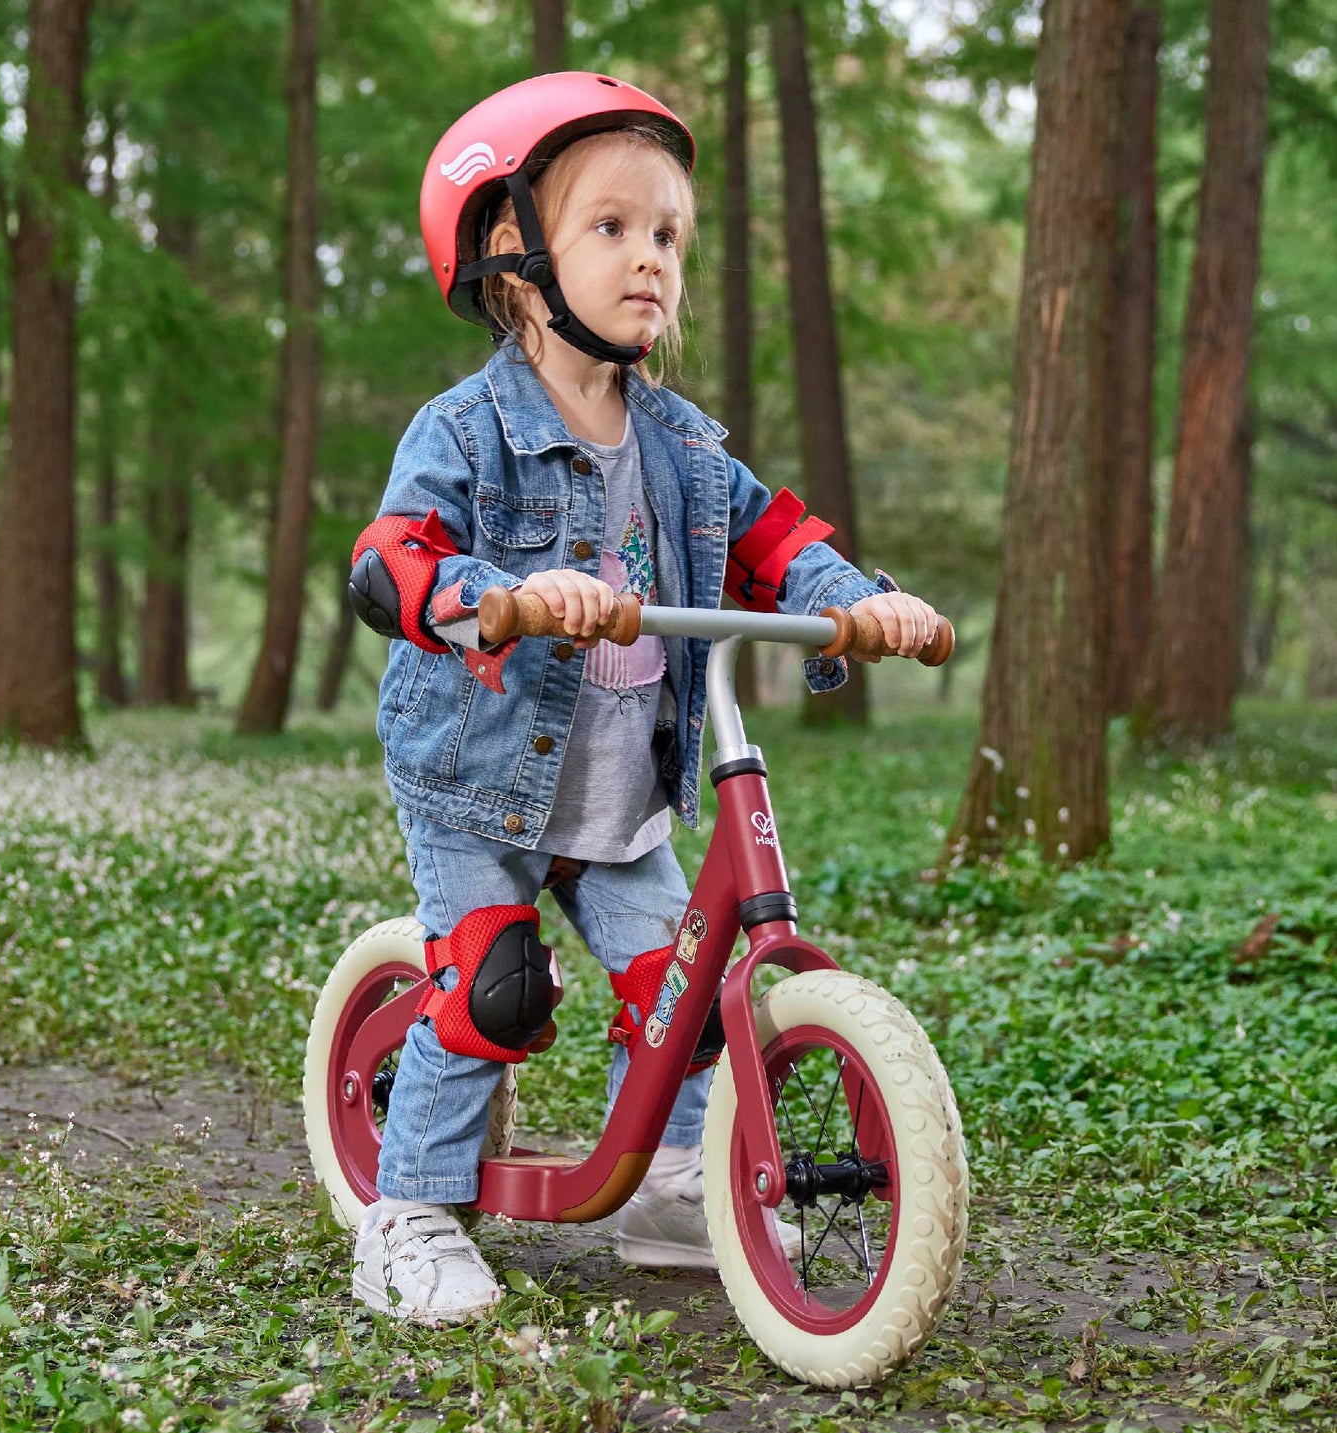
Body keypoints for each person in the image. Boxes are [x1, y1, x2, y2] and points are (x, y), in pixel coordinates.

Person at [346, 72, 941, 1326]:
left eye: (666, 234)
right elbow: (389, 557)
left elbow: (778, 540)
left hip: (618, 787)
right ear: (513, 259)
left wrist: (866, 600)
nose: (650, 258)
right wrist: (493, 595)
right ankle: (405, 1208)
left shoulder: (682, 445)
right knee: (490, 985)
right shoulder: (465, 430)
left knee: (683, 980)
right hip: (483, 784)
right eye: (610, 228)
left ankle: (673, 1177)